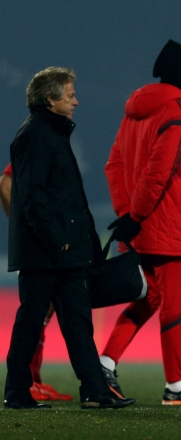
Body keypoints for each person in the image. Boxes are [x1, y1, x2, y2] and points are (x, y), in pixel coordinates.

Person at [4, 67, 134, 410]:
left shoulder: (51, 133)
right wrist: (56, 240)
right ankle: (17, 392)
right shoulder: (34, 135)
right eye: (70, 95)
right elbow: (32, 198)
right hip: (45, 253)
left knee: (77, 322)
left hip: (65, 251)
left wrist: (85, 242)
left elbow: (66, 199)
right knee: (31, 321)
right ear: (51, 99)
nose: (76, 101)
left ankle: (94, 391)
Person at [99, 39, 181, 406]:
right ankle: (176, 388)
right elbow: (160, 174)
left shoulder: (133, 113)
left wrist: (127, 215)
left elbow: (114, 165)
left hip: (138, 225)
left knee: (148, 298)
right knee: (173, 307)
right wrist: (135, 215)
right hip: (169, 227)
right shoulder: (180, 114)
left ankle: (104, 362)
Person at [1, 165, 71, 402]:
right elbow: (5, 182)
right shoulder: (37, 141)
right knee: (35, 309)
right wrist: (25, 227)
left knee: (45, 308)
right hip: (38, 243)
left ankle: (34, 381)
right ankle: (27, 382)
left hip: (47, 239)